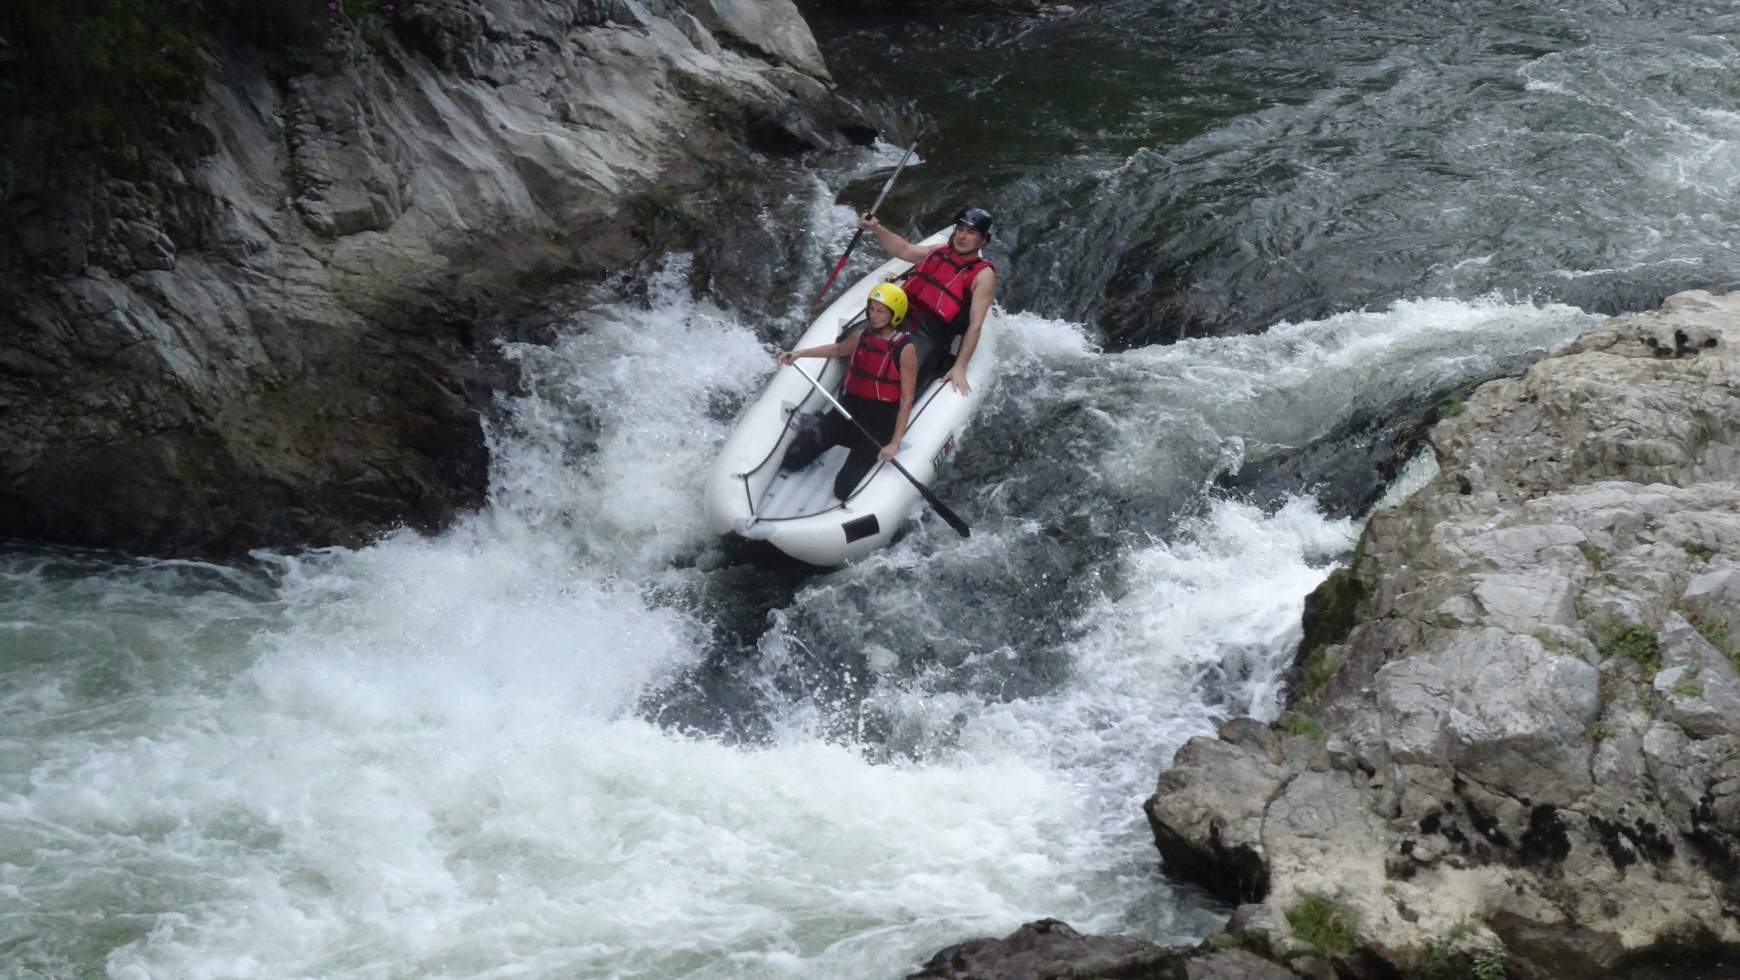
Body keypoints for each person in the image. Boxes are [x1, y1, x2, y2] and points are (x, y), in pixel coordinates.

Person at [776, 283, 921, 500]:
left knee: (844, 490)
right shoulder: (861, 335)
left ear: (894, 315)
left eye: (880, 311)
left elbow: (907, 399)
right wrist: (799, 353)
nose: (873, 315)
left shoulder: (905, 348)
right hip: (848, 410)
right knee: (793, 460)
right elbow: (836, 349)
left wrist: (894, 443)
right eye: (871, 309)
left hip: (878, 424)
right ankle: (819, 426)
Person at [855, 206, 997, 395]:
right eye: (960, 229)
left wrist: (960, 366)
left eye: (971, 232)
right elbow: (904, 250)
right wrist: (875, 228)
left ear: (983, 240)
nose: (962, 236)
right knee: (854, 340)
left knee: (902, 374)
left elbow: (975, 326)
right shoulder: (938, 251)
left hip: (931, 335)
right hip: (900, 318)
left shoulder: (983, 276)